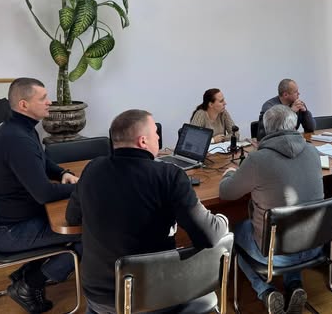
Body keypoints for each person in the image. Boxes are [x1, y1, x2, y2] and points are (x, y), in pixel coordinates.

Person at [66, 109, 229, 314]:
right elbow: (209, 236)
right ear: (143, 141)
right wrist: (222, 219)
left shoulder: (92, 169)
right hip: (154, 299)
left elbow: (72, 217)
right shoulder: (169, 175)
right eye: (155, 133)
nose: (158, 137)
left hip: (99, 297)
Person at [0, 77, 81, 314]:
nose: (49, 102)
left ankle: (28, 272)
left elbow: (43, 161)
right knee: (90, 233)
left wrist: (63, 173)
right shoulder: (17, 139)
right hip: (12, 231)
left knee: (75, 220)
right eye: (43, 98)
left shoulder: (21, 129)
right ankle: (30, 284)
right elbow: (44, 193)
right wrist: (84, 187)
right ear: (24, 105)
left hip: (13, 220)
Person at [219, 104, 324, 314]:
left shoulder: (257, 160)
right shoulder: (313, 152)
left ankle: (265, 291)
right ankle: (294, 285)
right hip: (314, 245)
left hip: (275, 254)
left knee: (234, 233)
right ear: (294, 125)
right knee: (292, 221)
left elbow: (226, 193)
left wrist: (230, 173)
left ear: (265, 129)